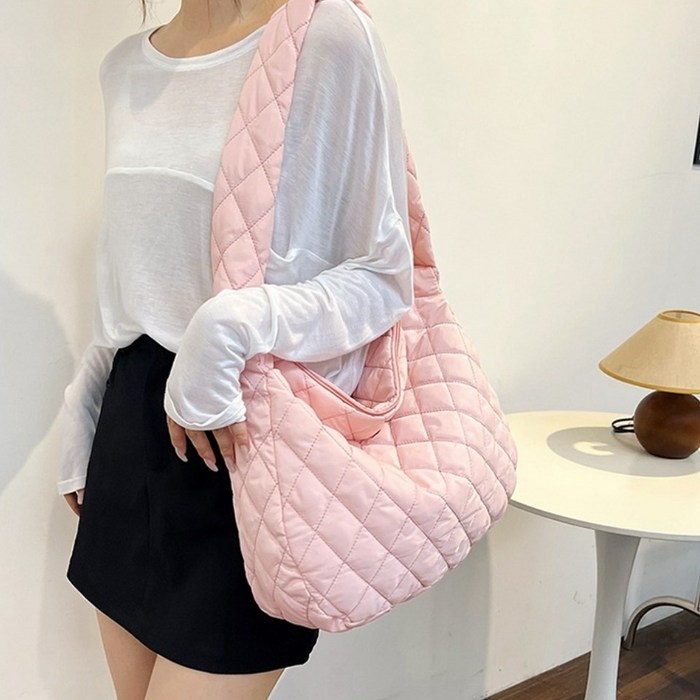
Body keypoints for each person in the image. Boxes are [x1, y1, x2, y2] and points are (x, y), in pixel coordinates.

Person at [58, 0, 414, 697]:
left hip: (244, 436)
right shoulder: (125, 67)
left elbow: (383, 277)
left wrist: (229, 327)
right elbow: (132, 271)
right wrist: (87, 398)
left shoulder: (328, 37)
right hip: (131, 430)